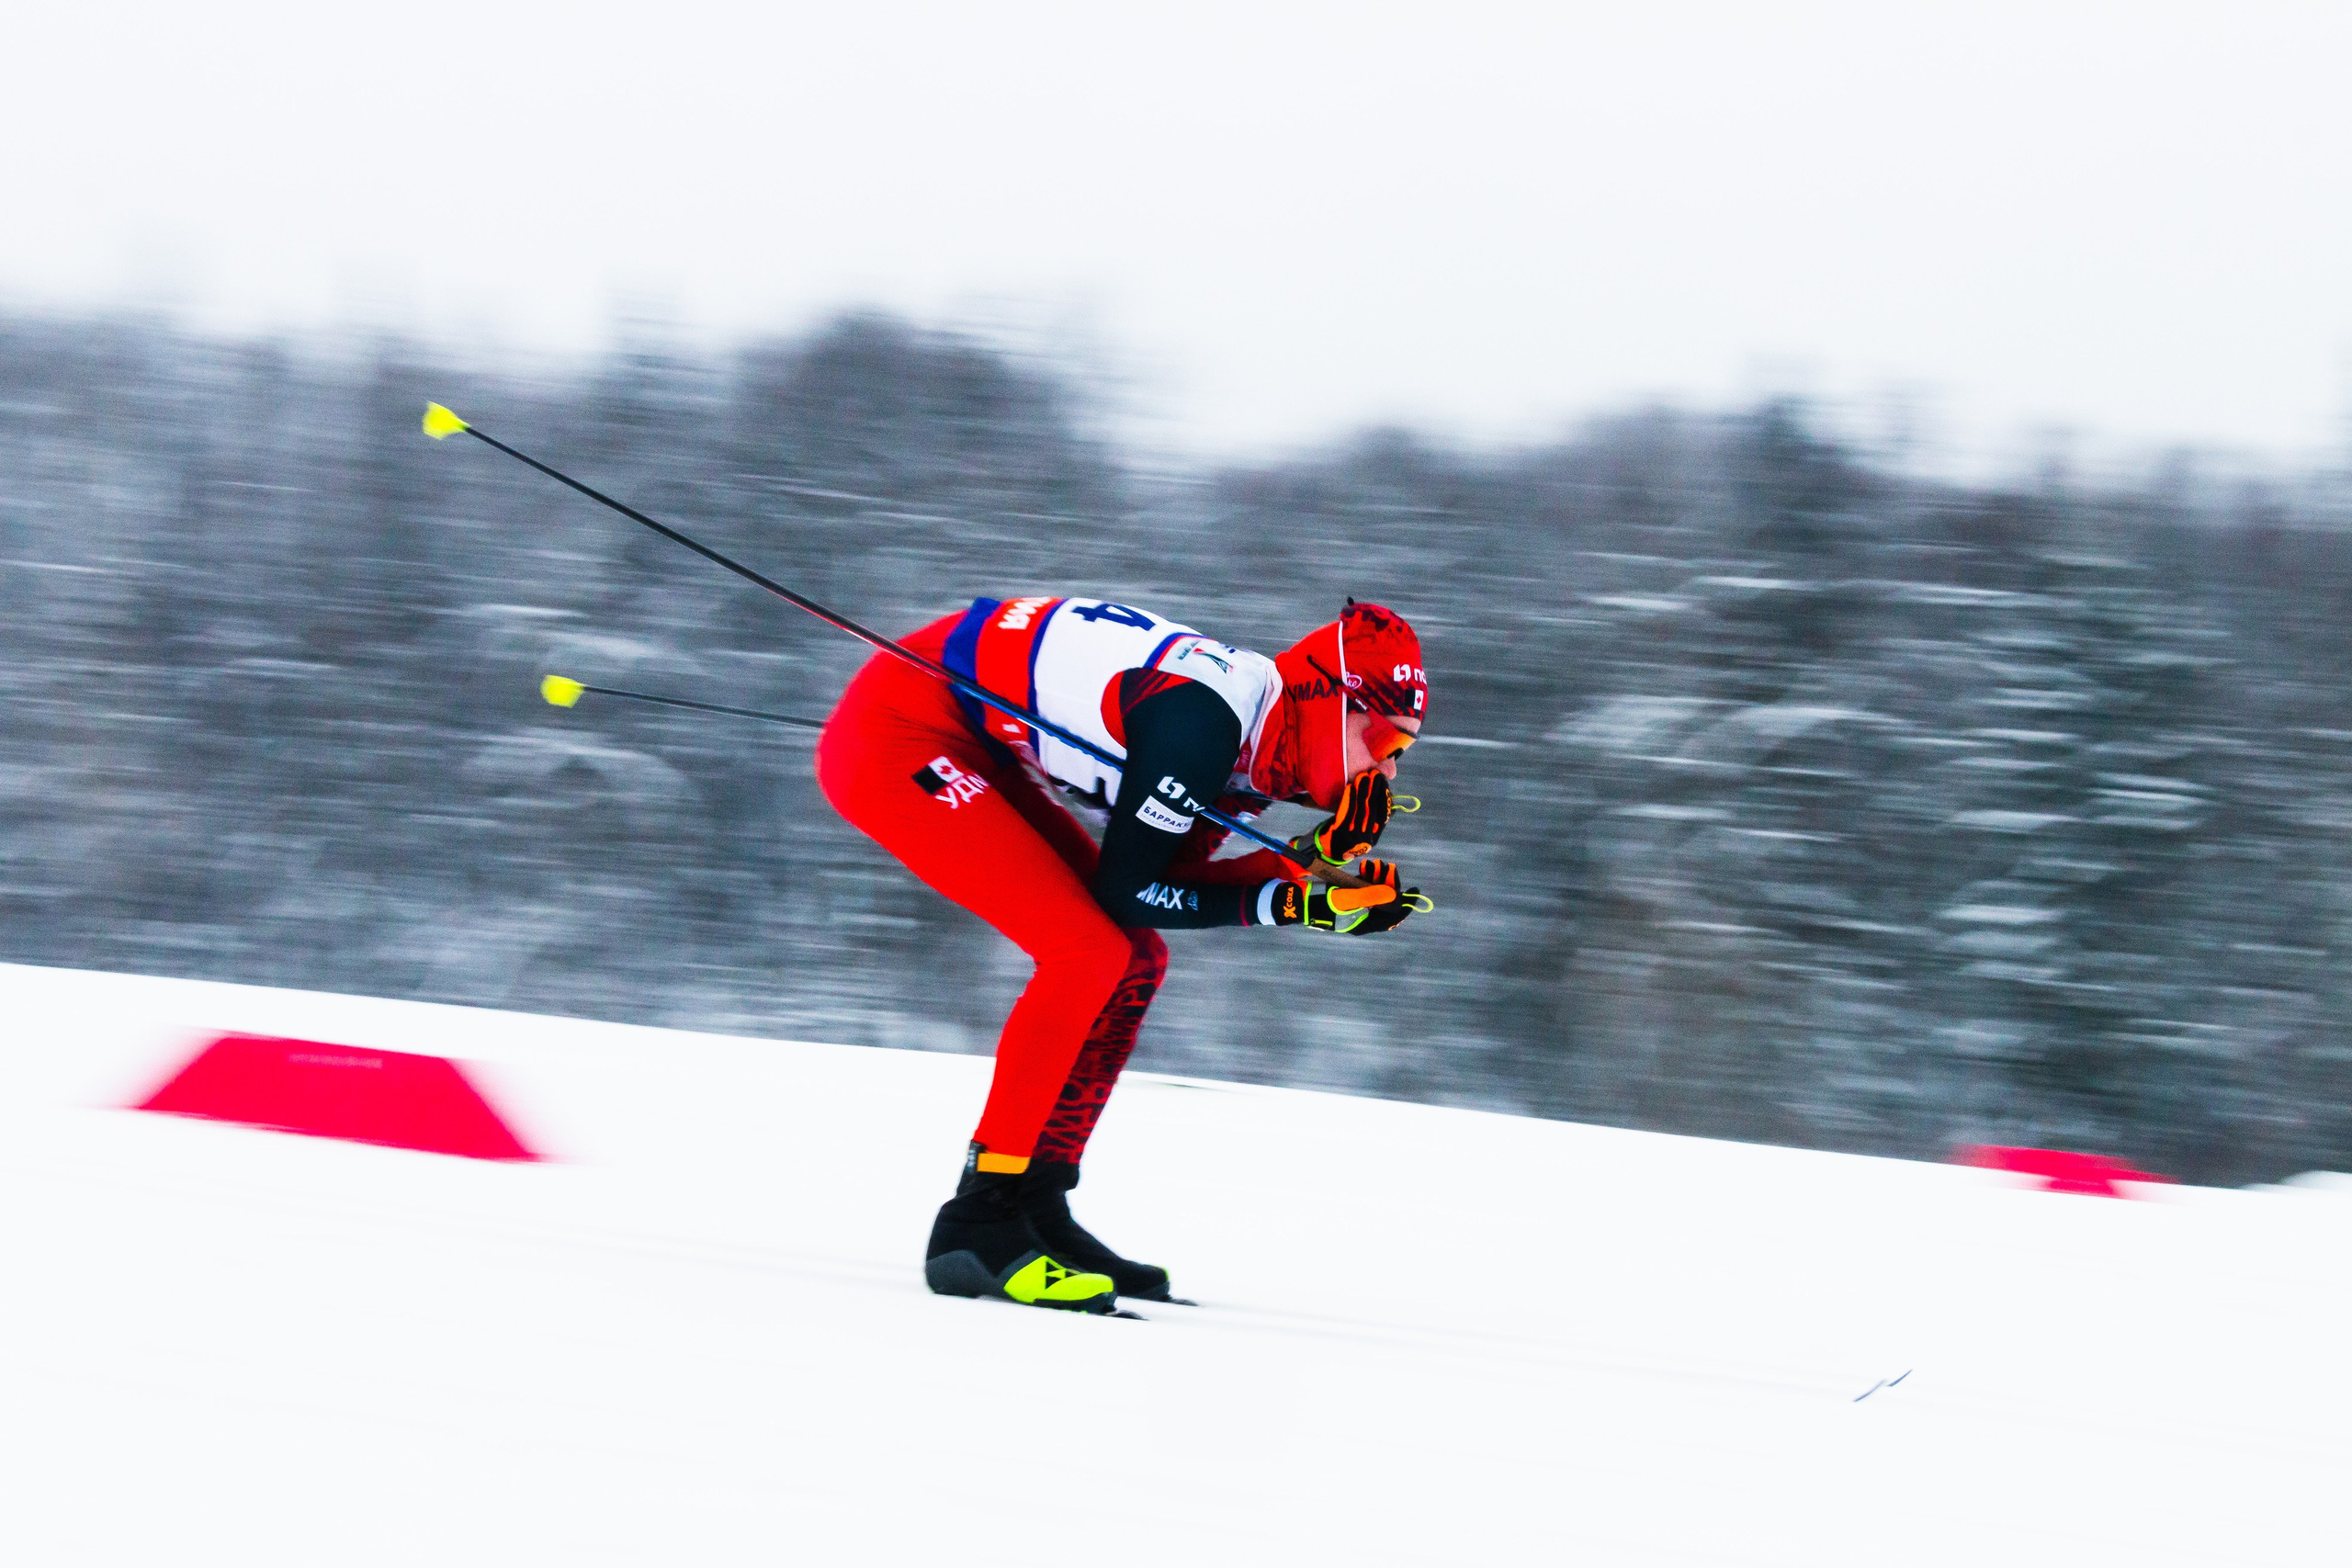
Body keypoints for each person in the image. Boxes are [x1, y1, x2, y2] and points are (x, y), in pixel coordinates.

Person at [816, 595, 1429, 1313]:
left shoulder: (1268, 745)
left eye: (1401, 754)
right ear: (1331, 699)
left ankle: (1034, 1205)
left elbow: (1169, 875)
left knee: (1134, 959)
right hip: (899, 730)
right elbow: (1132, 890)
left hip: (968, 733)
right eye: (1383, 742)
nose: (1386, 773)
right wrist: (1293, 898)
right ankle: (977, 1222)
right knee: (1085, 951)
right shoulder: (1204, 724)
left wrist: (1310, 873)